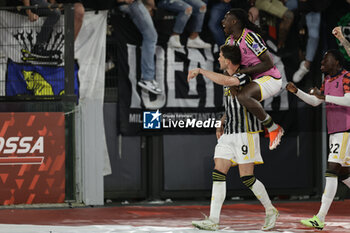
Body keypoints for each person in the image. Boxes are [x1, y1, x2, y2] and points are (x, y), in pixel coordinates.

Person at [188, 44, 279, 231]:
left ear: (228, 60)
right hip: (229, 133)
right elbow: (232, 105)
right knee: (218, 172)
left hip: (246, 132)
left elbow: (228, 83)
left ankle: (270, 210)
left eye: (220, 56)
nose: (218, 59)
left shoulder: (244, 76)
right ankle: (213, 220)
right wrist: (221, 121)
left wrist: (200, 70)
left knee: (247, 178)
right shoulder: (229, 77)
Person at [286, 49, 350, 230]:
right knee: (344, 173)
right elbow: (315, 101)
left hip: (346, 131)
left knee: (331, 171)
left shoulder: (346, 76)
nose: (322, 62)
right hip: (337, 132)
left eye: (326, 59)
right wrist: (296, 91)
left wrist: (324, 96)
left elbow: (349, 100)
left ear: (337, 62)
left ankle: (320, 217)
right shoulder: (327, 80)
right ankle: (320, 217)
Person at [222, 8, 284, 150]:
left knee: (244, 96)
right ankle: (245, 140)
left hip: (270, 78)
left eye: (226, 19)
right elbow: (228, 67)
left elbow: (268, 63)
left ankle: (273, 128)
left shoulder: (250, 37)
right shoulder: (229, 41)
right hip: (251, 80)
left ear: (234, 21)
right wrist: (231, 81)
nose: (222, 22)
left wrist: (242, 72)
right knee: (236, 100)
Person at [118, 0, 161, 94]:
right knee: (151, 36)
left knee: (151, 36)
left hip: (133, 4)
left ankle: (148, 77)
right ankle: (147, 78)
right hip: (132, 4)